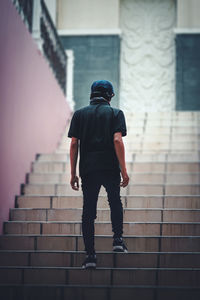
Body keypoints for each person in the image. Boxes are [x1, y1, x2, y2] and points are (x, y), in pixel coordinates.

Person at [68, 80, 129, 269]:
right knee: (115, 201)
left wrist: (73, 173)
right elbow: (117, 140)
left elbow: (74, 144)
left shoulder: (79, 115)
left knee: (88, 211)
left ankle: (90, 256)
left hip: (88, 168)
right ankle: (118, 240)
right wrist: (124, 171)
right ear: (110, 95)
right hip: (110, 167)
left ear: (91, 94)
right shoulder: (115, 113)